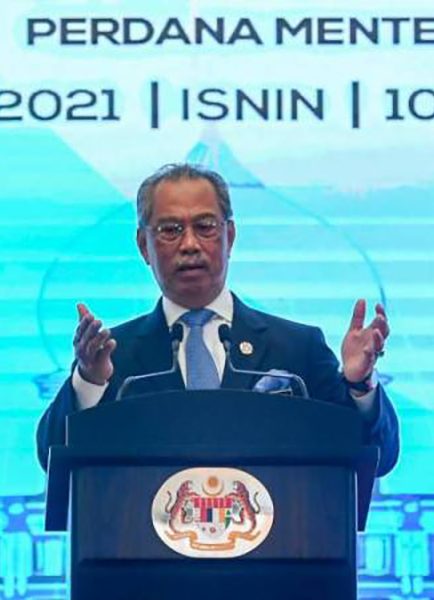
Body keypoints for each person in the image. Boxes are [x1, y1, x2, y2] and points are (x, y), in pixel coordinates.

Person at [36, 163, 399, 475]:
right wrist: (88, 381)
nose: (190, 244)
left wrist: (360, 384)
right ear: (144, 246)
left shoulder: (296, 348)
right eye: (170, 230)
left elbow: (377, 458)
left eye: (205, 226)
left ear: (230, 236)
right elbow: (52, 461)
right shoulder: (114, 355)